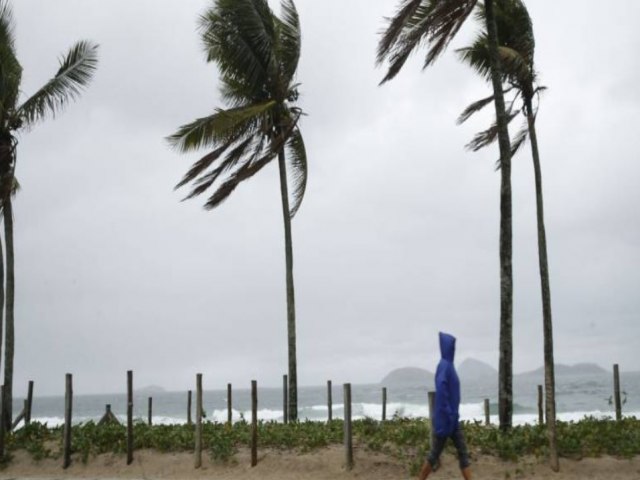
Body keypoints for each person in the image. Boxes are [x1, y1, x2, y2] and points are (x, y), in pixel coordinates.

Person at [418, 332, 472, 480]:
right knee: (434, 454)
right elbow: (441, 392)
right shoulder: (444, 366)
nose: (454, 348)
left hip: (452, 419)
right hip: (445, 420)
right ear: (447, 347)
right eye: (452, 345)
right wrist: (448, 413)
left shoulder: (449, 365)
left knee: (463, 453)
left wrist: (453, 415)